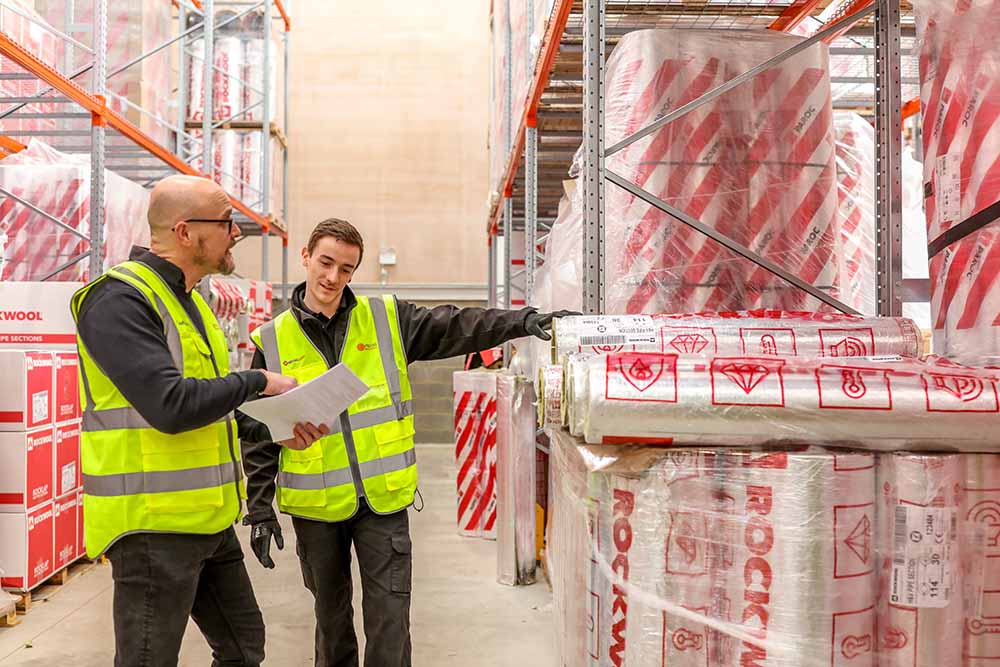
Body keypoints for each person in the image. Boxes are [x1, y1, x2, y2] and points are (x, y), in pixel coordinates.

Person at [243, 218, 575, 667]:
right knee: (331, 619)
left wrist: (523, 321)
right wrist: (259, 508)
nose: (332, 278)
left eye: (346, 268)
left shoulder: (385, 319)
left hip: (383, 502)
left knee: (389, 619)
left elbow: (458, 324)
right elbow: (259, 435)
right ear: (305, 256)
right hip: (316, 508)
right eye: (325, 263)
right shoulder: (272, 339)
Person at [72, 175, 328, 667]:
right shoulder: (118, 301)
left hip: (207, 520)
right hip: (151, 526)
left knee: (241, 645)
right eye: (227, 223)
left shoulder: (193, 302)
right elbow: (170, 406)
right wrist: (257, 382)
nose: (236, 234)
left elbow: (215, 410)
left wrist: (278, 430)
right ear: (187, 232)